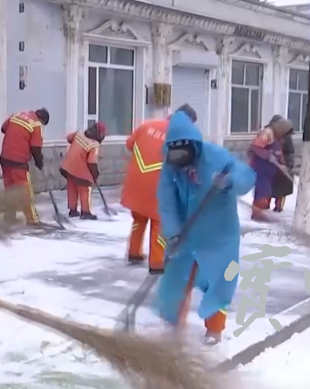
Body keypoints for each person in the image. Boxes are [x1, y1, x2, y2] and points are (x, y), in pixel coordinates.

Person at [154, 110, 256, 344]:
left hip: (218, 233)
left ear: (193, 146)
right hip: (186, 232)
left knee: (218, 280)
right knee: (177, 277)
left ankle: (214, 330)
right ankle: (173, 324)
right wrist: (173, 231)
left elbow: (246, 176)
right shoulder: (169, 165)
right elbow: (167, 201)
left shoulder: (216, 157)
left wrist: (229, 182)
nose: (180, 162)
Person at [122, 104, 197, 274]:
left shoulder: (147, 125)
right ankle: (157, 263)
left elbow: (129, 144)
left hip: (136, 181)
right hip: (159, 185)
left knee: (139, 218)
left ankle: (134, 252)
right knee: (159, 221)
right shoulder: (182, 137)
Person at [0, 108, 50, 225]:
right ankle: (32, 220)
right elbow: (36, 148)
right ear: (42, 120)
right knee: (25, 192)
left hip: (5, 159)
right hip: (18, 162)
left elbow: (3, 128)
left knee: (10, 190)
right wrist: (39, 162)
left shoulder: (16, 115)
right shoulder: (36, 125)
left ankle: (9, 217)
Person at [247, 115, 292, 220]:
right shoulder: (267, 133)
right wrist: (267, 155)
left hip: (270, 171)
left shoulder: (278, 137)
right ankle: (256, 214)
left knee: (266, 192)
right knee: (263, 192)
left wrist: (282, 164)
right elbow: (255, 147)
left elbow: (279, 152)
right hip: (261, 168)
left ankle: (258, 213)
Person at [60, 121, 106, 219]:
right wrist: (95, 175)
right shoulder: (94, 145)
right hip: (80, 171)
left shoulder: (79, 134)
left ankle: (72, 210)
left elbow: (69, 138)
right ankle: (85, 212)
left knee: (72, 188)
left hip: (67, 167)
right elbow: (92, 162)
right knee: (85, 189)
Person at [272, 125, 295, 212]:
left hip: (284, 165)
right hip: (276, 165)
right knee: (276, 187)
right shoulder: (275, 136)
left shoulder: (286, 138)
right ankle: (276, 205)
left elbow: (290, 153)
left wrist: (288, 165)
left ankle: (279, 206)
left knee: (282, 188)